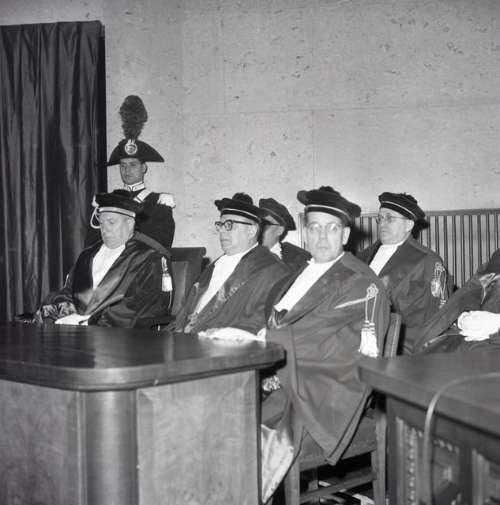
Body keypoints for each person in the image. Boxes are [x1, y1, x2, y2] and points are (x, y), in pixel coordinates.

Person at [258, 186, 391, 501]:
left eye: (331, 229)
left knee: (244, 435)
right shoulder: (297, 274)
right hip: (284, 375)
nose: (321, 236)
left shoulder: (361, 283)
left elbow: (320, 341)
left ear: (345, 234)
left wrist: (268, 360)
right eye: (315, 227)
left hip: (323, 392)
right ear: (305, 232)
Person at [33, 190, 172, 328]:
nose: (104, 230)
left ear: (130, 224)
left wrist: (88, 322)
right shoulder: (88, 255)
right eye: (101, 223)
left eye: (111, 222)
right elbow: (69, 293)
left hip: (117, 335)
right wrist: (61, 314)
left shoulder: (149, 258)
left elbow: (142, 307)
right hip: (74, 328)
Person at [175, 193, 290, 334]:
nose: (222, 232)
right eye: (220, 225)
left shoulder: (273, 270)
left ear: (251, 230)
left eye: (229, 225)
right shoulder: (217, 264)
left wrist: (212, 330)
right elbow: (189, 308)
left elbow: (263, 322)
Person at [357, 192, 448, 353]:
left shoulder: (428, 261)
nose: (382, 224)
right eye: (380, 218)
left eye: (390, 218)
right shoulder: (363, 255)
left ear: (408, 225)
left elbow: (435, 317)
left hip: (400, 345)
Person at [106, 95, 175, 248]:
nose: (127, 170)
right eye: (123, 165)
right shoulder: (110, 201)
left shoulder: (159, 203)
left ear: (144, 168)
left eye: (133, 165)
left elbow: (161, 245)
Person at [414, 249, 500, 353]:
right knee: (430, 351)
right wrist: (465, 314)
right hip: (471, 337)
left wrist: (496, 323)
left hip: (490, 345)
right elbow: (474, 289)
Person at [259, 197, 311, 271]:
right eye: (258, 224)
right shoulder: (247, 255)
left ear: (280, 230)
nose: (259, 229)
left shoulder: (300, 258)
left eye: (265, 224)